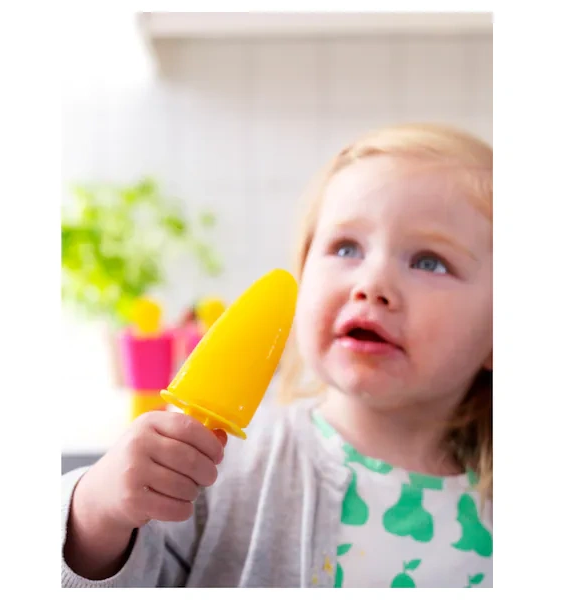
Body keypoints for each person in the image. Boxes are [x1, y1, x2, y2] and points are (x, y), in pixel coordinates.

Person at [61, 122, 493, 588]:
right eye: (346, 247)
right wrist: (97, 511)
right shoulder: (216, 465)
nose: (371, 284)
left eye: (429, 261)